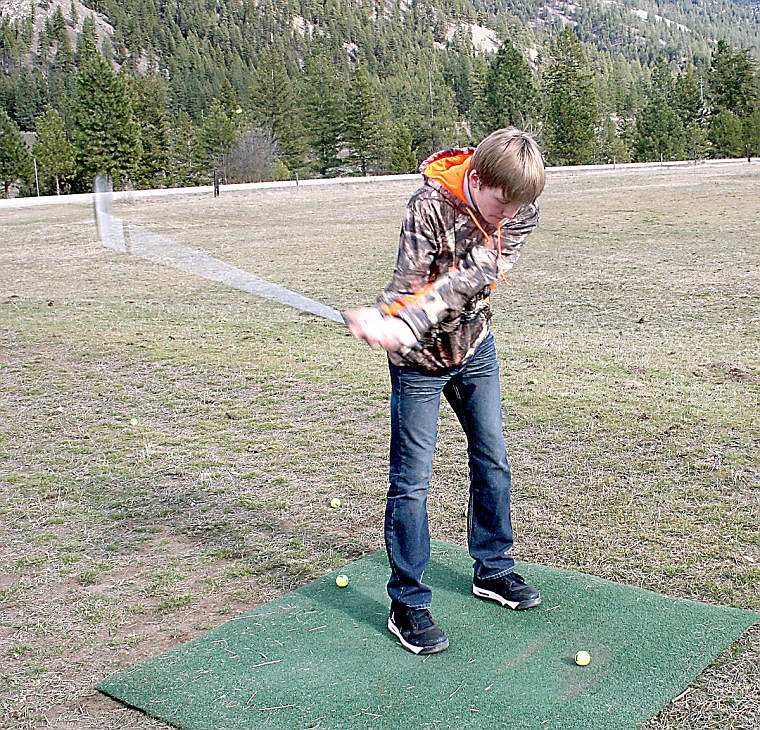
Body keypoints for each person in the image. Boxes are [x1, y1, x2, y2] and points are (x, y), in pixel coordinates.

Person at [345, 127, 546, 655]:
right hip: (418, 364)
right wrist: (390, 321)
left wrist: (408, 320)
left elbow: (472, 279)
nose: (509, 217)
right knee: (412, 482)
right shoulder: (427, 207)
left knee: (493, 460)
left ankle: (493, 569)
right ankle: (407, 602)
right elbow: (410, 285)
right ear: (476, 180)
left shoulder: (521, 209)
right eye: (500, 205)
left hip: (475, 345)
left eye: (517, 207)